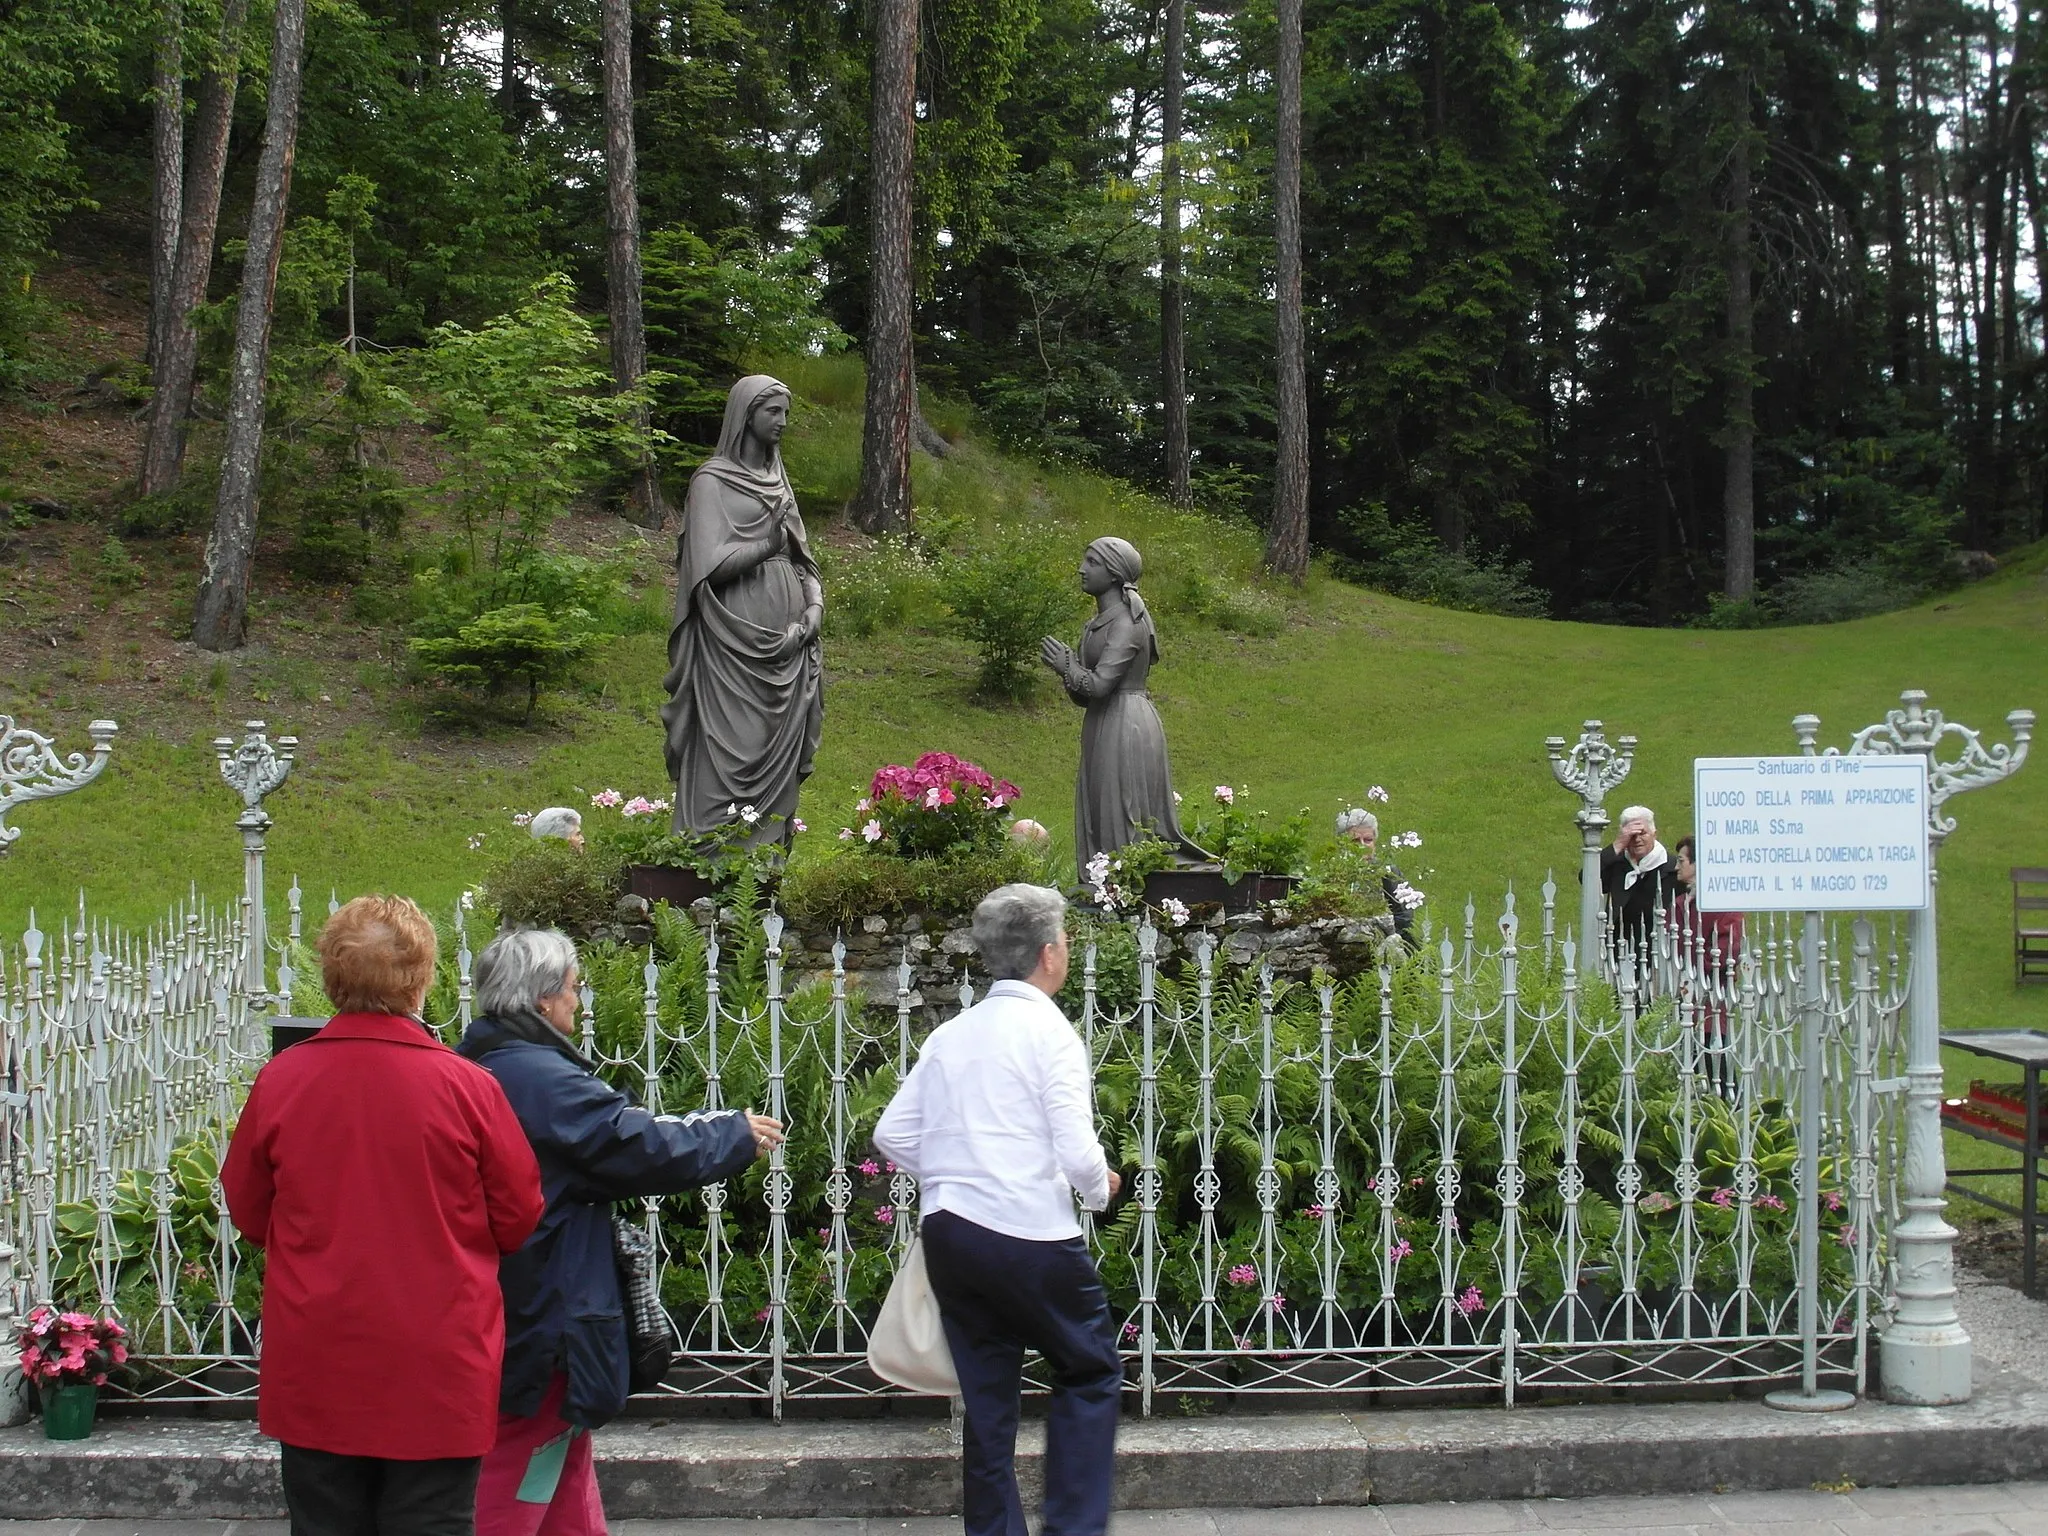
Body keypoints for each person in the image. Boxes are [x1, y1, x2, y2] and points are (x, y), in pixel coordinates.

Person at [223, 896, 545, 1536]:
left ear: (332, 977)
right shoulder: (466, 1087)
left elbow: (250, 1208)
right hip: (437, 1353)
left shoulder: (284, 1079)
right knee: (433, 1520)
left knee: (324, 1521)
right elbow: (517, 1213)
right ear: (421, 980)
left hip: (320, 1349)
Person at [455, 928, 785, 1536]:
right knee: (519, 1471)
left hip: (526, 1299)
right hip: (547, 1308)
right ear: (544, 1000)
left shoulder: (486, 1062)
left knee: (559, 1461)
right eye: (574, 992)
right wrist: (732, 1135)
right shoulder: (540, 1078)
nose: (578, 1006)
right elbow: (630, 1144)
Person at [874, 884, 1125, 1536]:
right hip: (1028, 1231)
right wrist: (1101, 1192)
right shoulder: (1051, 1031)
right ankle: (1072, 1527)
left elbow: (892, 1134)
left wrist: (958, 1175)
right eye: (1065, 941)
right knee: (1090, 1368)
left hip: (952, 1231)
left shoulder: (954, 1034)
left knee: (987, 1401)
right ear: (1048, 954)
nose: (1066, 951)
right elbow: (1076, 1146)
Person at [660, 374, 824, 846]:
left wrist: (815, 606)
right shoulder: (711, 482)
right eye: (773, 411)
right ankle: (706, 865)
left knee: (778, 763)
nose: (782, 422)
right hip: (732, 648)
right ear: (745, 413)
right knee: (726, 754)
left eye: (786, 413)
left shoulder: (780, 481)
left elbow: (804, 561)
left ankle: (764, 879)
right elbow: (708, 568)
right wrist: (768, 542)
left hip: (790, 647)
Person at [1038, 536, 1204, 870]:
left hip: (1126, 722)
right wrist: (1068, 671)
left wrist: (1067, 666)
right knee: (1100, 804)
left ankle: (1127, 882)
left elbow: (1099, 685)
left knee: (1120, 808)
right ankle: (1105, 881)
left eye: (1092, 563)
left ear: (1114, 573)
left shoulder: (1129, 623)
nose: (1081, 570)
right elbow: (1084, 694)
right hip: (1101, 720)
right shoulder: (1095, 625)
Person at [1600, 805, 1675, 968]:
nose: (1637, 840)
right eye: (1631, 836)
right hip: (1619, 951)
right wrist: (1617, 846)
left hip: (1657, 954)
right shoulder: (1617, 863)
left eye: (1642, 834)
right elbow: (1588, 878)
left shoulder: (1671, 867)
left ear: (1654, 834)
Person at [1335, 807, 1415, 944]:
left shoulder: (1388, 873)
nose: (1363, 846)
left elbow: (1403, 917)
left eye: (1368, 840)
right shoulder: (1334, 873)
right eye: (1355, 841)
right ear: (1342, 843)